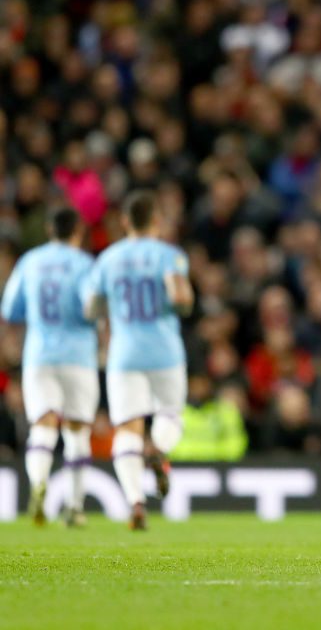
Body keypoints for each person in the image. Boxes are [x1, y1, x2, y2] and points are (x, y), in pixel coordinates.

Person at [82, 191, 194, 531]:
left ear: (126, 222)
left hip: (124, 353)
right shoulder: (169, 255)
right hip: (165, 351)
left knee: (128, 428)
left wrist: (109, 315)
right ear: (156, 222)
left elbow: (91, 308)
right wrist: (179, 302)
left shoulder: (108, 259)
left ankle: (135, 502)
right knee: (170, 414)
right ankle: (158, 450)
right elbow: (181, 298)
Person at [0, 207, 97, 527]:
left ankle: (39, 483)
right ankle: (75, 505)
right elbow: (91, 307)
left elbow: (11, 308)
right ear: (78, 232)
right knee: (76, 431)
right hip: (78, 357)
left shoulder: (30, 262)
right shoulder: (84, 264)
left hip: (39, 355)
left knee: (42, 426)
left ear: (48, 229)